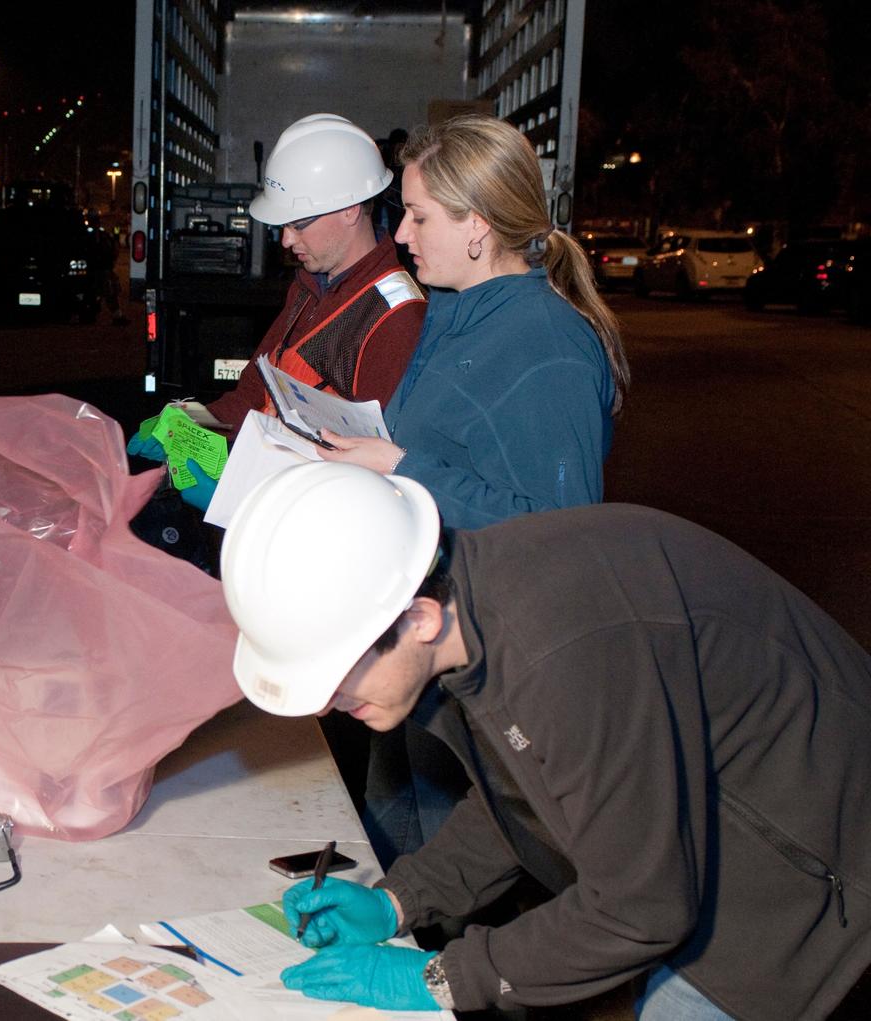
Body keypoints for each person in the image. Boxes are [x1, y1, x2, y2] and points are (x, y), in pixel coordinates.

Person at [219, 461, 871, 1020]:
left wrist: (441, 977)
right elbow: (529, 790)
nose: (329, 702)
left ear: (416, 618)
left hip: (822, 895)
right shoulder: (473, 609)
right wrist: (399, 901)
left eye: (333, 675)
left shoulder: (563, 653)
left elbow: (641, 907)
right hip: (715, 860)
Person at [316, 114, 632, 866]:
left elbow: (563, 534)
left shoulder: (546, 347)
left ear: (479, 227)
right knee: (394, 841)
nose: (401, 235)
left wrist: (400, 467)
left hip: (490, 664)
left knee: (447, 867)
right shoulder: (457, 311)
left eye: (420, 216)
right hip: (426, 645)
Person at [128, 113, 427, 511]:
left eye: (299, 224)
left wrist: (239, 492)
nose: (286, 240)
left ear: (351, 209)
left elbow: (361, 476)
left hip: (306, 525)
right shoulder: (310, 286)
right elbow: (255, 394)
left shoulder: (395, 315)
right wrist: (193, 421)